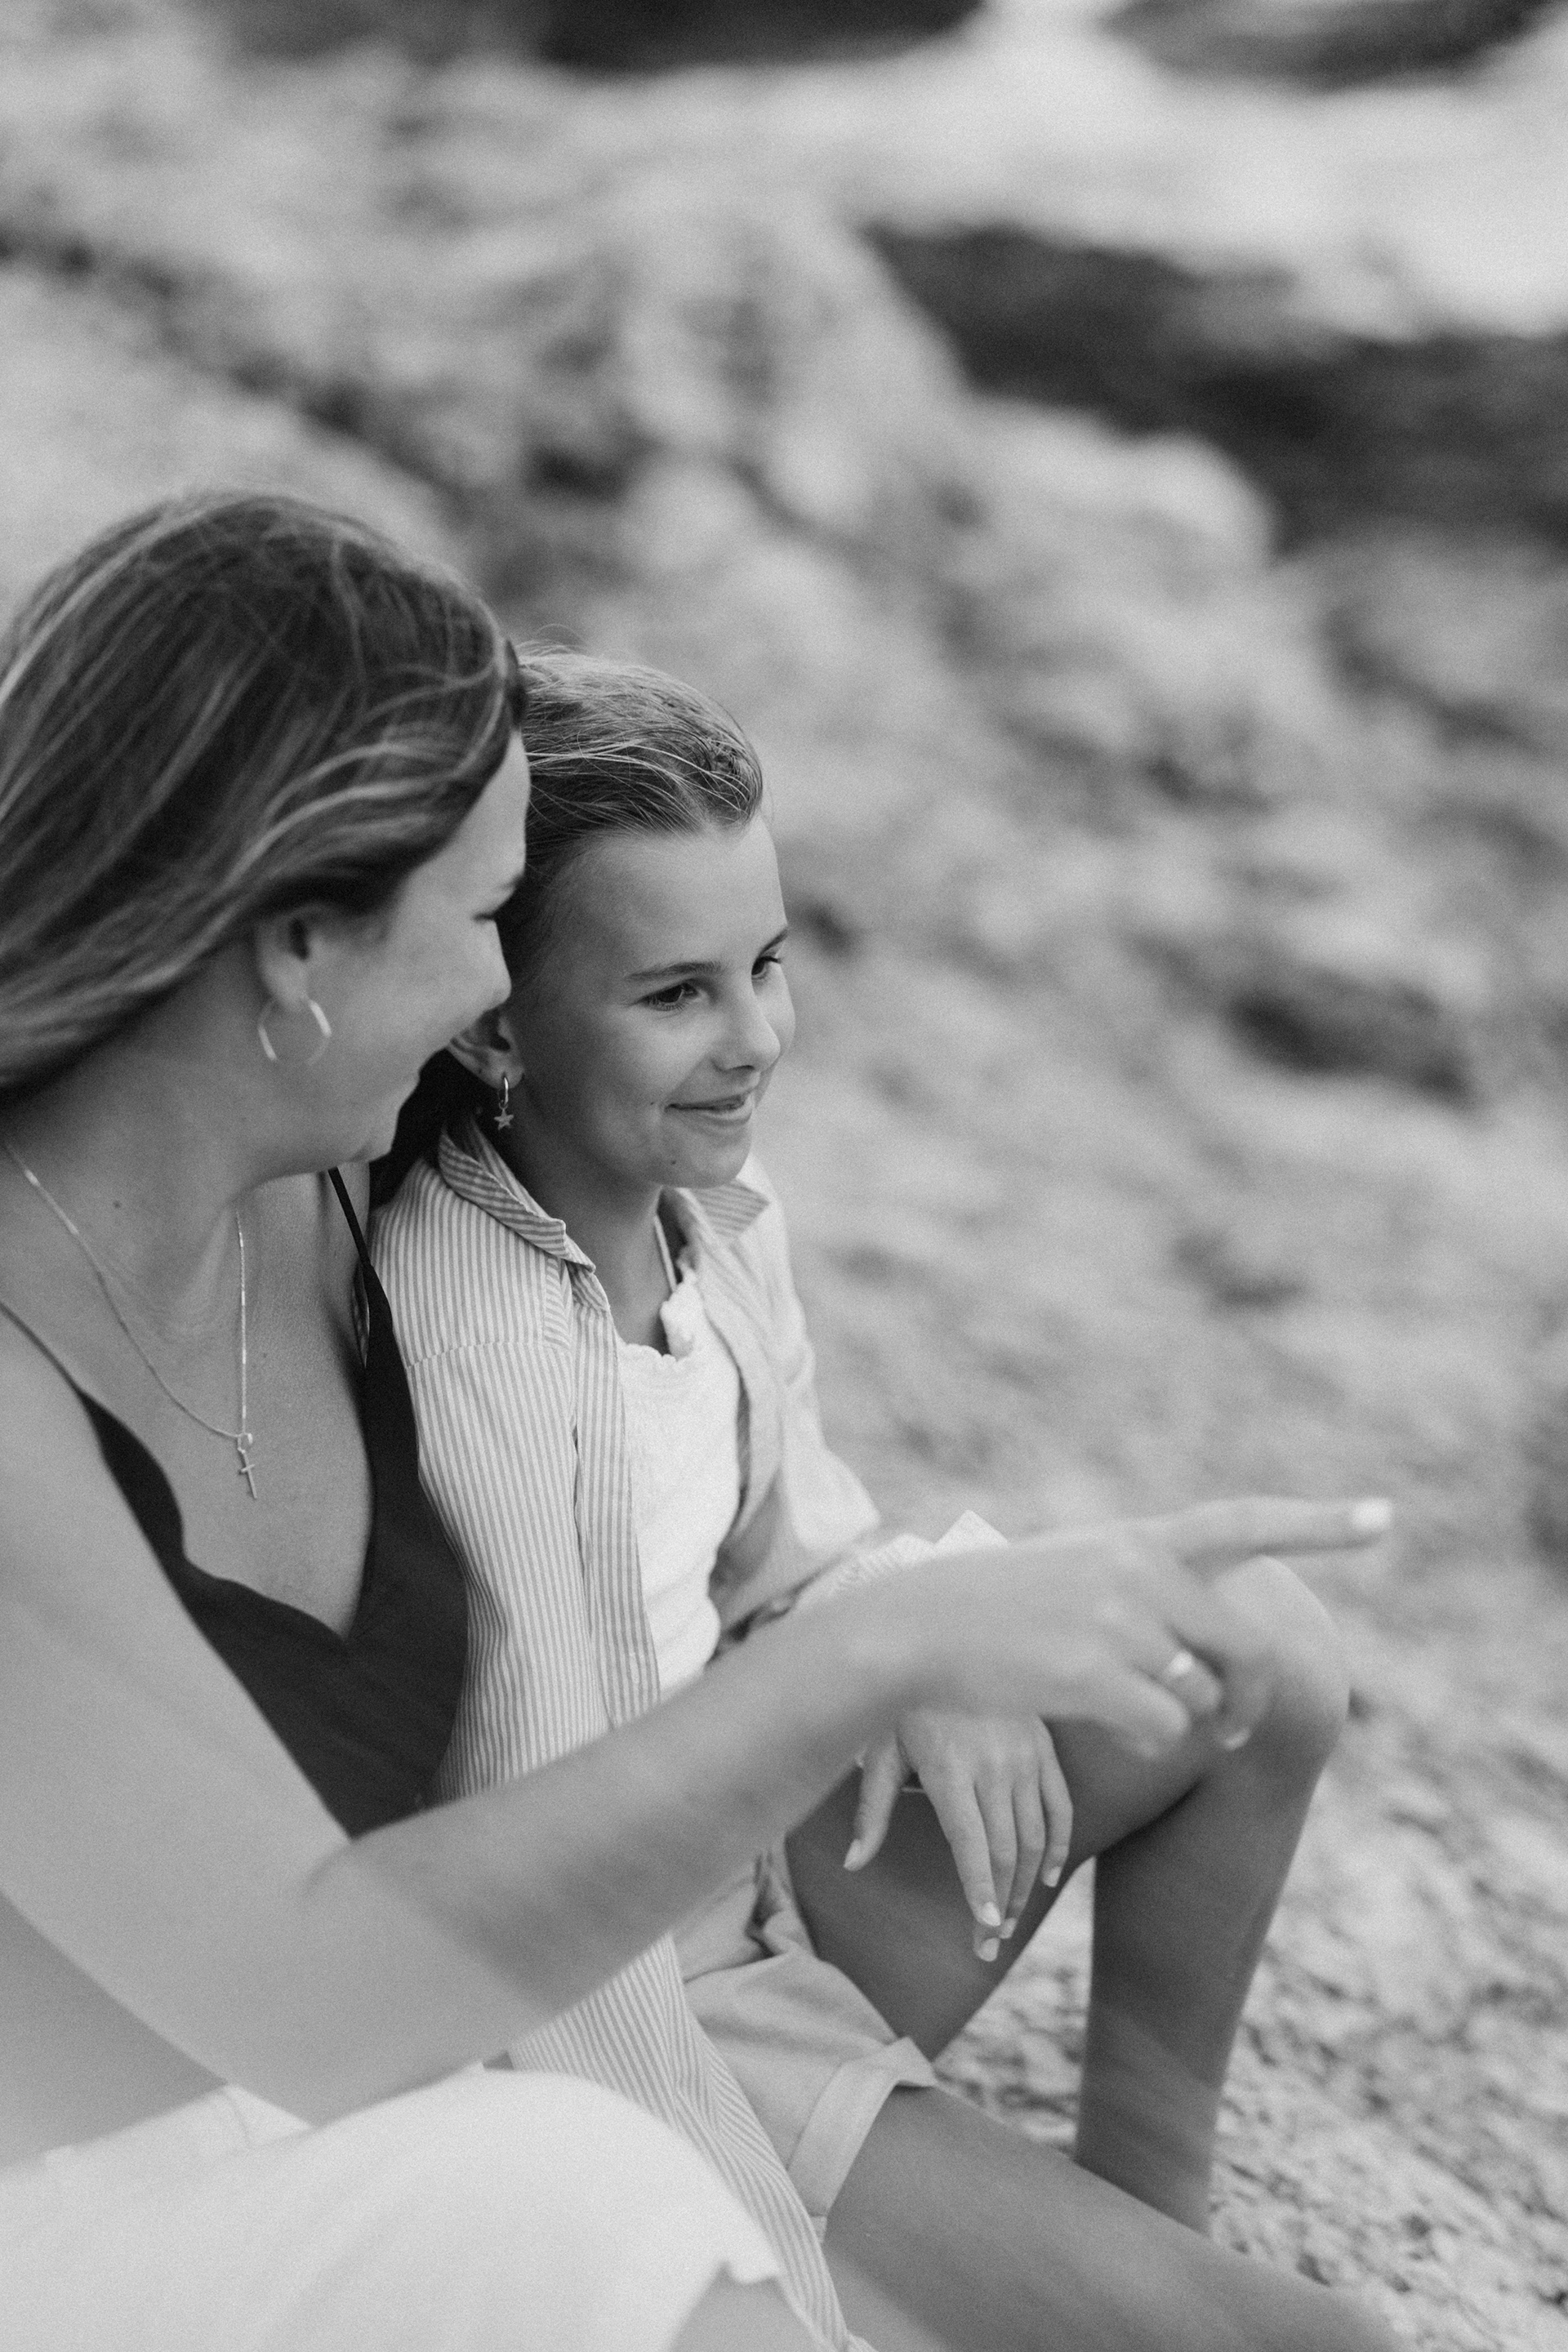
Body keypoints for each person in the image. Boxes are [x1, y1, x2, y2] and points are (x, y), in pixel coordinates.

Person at [372, 650, 1402, 2352]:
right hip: (639, 2015)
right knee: (1319, 2349)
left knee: (1251, 1646)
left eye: (767, 965)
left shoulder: (711, 1216)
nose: (757, 1040)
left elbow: (791, 1563)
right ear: (495, 1020)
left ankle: (1139, 2210)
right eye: (677, 994)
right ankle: (1043, 2279)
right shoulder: (476, 1344)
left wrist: (911, 1641)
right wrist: (742, 2257)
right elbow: (542, 1889)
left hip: (776, 1858)